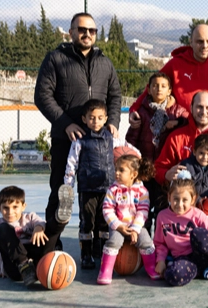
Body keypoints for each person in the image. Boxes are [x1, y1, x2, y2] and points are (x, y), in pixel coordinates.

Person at [34, 12, 121, 251]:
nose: (87, 34)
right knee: (62, 193)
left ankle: (97, 245)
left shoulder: (105, 61)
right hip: (67, 139)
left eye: (91, 30)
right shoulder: (55, 59)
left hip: (100, 145)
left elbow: (115, 94)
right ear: (71, 32)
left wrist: (112, 120)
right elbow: (42, 96)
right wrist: (65, 124)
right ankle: (50, 246)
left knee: (100, 196)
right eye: (81, 29)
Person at [63, 99, 139, 269]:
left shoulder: (112, 138)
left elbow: (129, 149)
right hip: (87, 188)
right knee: (87, 222)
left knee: (105, 222)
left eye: (99, 118)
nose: (95, 121)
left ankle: (102, 251)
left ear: (106, 119)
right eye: (91, 118)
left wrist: (138, 156)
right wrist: (68, 185)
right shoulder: (80, 140)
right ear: (84, 119)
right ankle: (86, 255)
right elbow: (71, 163)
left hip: (109, 189)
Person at [128, 24, 208, 123]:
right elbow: (153, 87)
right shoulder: (175, 65)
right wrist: (134, 109)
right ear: (191, 42)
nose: (204, 45)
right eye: (200, 41)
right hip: (181, 127)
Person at [153, 172, 208, 286]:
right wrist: (161, 260)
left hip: (204, 254)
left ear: (193, 199)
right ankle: (201, 271)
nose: (179, 204)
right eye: (176, 199)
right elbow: (160, 243)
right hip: (184, 259)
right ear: (169, 197)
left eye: (185, 200)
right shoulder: (162, 216)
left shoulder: (198, 215)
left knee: (198, 234)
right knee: (172, 275)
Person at [0, 186, 72, 286]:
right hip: (16, 267)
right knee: (2, 228)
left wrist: (38, 228)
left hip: (39, 261)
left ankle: (60, 220)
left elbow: (39, 222)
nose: (10, 212)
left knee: (48, 229)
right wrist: (0, 268)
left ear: (23, 206)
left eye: (15, 207)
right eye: (5, 208)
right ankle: (24, 266)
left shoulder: (30, 217)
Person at [97, 155, 158, 284]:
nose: (117, 173)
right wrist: (118, 226)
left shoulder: (142, 192)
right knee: (114, 241)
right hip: (118, 226)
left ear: (133, 174)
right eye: (116, 169)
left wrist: (135, 229)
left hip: (136, 226)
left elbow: (143, 212)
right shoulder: (113, 190)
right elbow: (107, 210)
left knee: (146, 241)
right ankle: (106, 270)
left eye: (121, 170)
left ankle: (151, 268)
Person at [125, 72, 189, 162]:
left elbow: (189, 121)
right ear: (149, 90)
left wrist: (178, 122)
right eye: (155, 85)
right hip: (144, 161)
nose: (159, 89)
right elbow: (131, 139)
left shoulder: (177, 111)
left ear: (169, 91)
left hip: (167, 162)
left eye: (163, 86)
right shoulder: (141, 112)